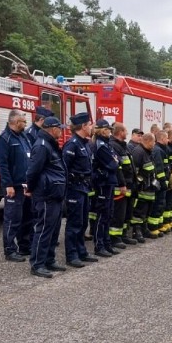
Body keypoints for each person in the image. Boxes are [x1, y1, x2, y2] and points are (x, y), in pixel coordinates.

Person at [25, 116, 67, 278]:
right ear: (51, 129)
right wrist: (30, 188)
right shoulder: (42, 146)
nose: (61, 131)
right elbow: (33, 171)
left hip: (54, 193)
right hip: (46, 194)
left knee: (53, 229)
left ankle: (49, 260)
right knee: (43, 229)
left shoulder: (50, 144)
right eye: (59, 128)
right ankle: (37, 264)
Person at [0, 109, 31, 261]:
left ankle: (24, 246)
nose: (25, 124)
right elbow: (1, 164)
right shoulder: (4, 139)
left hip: (25, 185)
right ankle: (9, 250)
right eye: (23, 121)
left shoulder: (23, 137)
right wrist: (7, 184)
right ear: (15, 122)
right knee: (12, 219)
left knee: (26, 218)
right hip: (13, 187)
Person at [62, 112, 98, 268]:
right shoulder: (72, 145)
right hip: (74, 189)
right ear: (83, 126)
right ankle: (72, 255)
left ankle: (81, 252)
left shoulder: (84, 143)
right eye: (89, 124)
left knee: (83, 222)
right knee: (74, 223)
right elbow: (65, 169)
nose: (91, 127)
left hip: (84, 188)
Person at [91, 119, 121, 257]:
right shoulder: (101, 145)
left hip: (109, 182)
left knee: (108, 214)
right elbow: (113, 164)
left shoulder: (106, 144)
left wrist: (115, 160)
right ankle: (99, 245)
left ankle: (106, 242)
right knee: (102, 215)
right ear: (103, 130)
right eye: (108, 129)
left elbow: (117, 160)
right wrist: (115, 160)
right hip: (103, 183)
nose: (110, 131)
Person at [108, 122, 136, 248]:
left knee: (126, 212)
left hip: (128, 184)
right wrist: (122, 184)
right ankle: (115, 238)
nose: (127, 133)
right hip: (120, 186)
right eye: (125, 131)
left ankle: (123, 234)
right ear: (120, 132)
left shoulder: (123, 146)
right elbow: (117, 168)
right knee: (118, 213)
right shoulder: (114, 146)